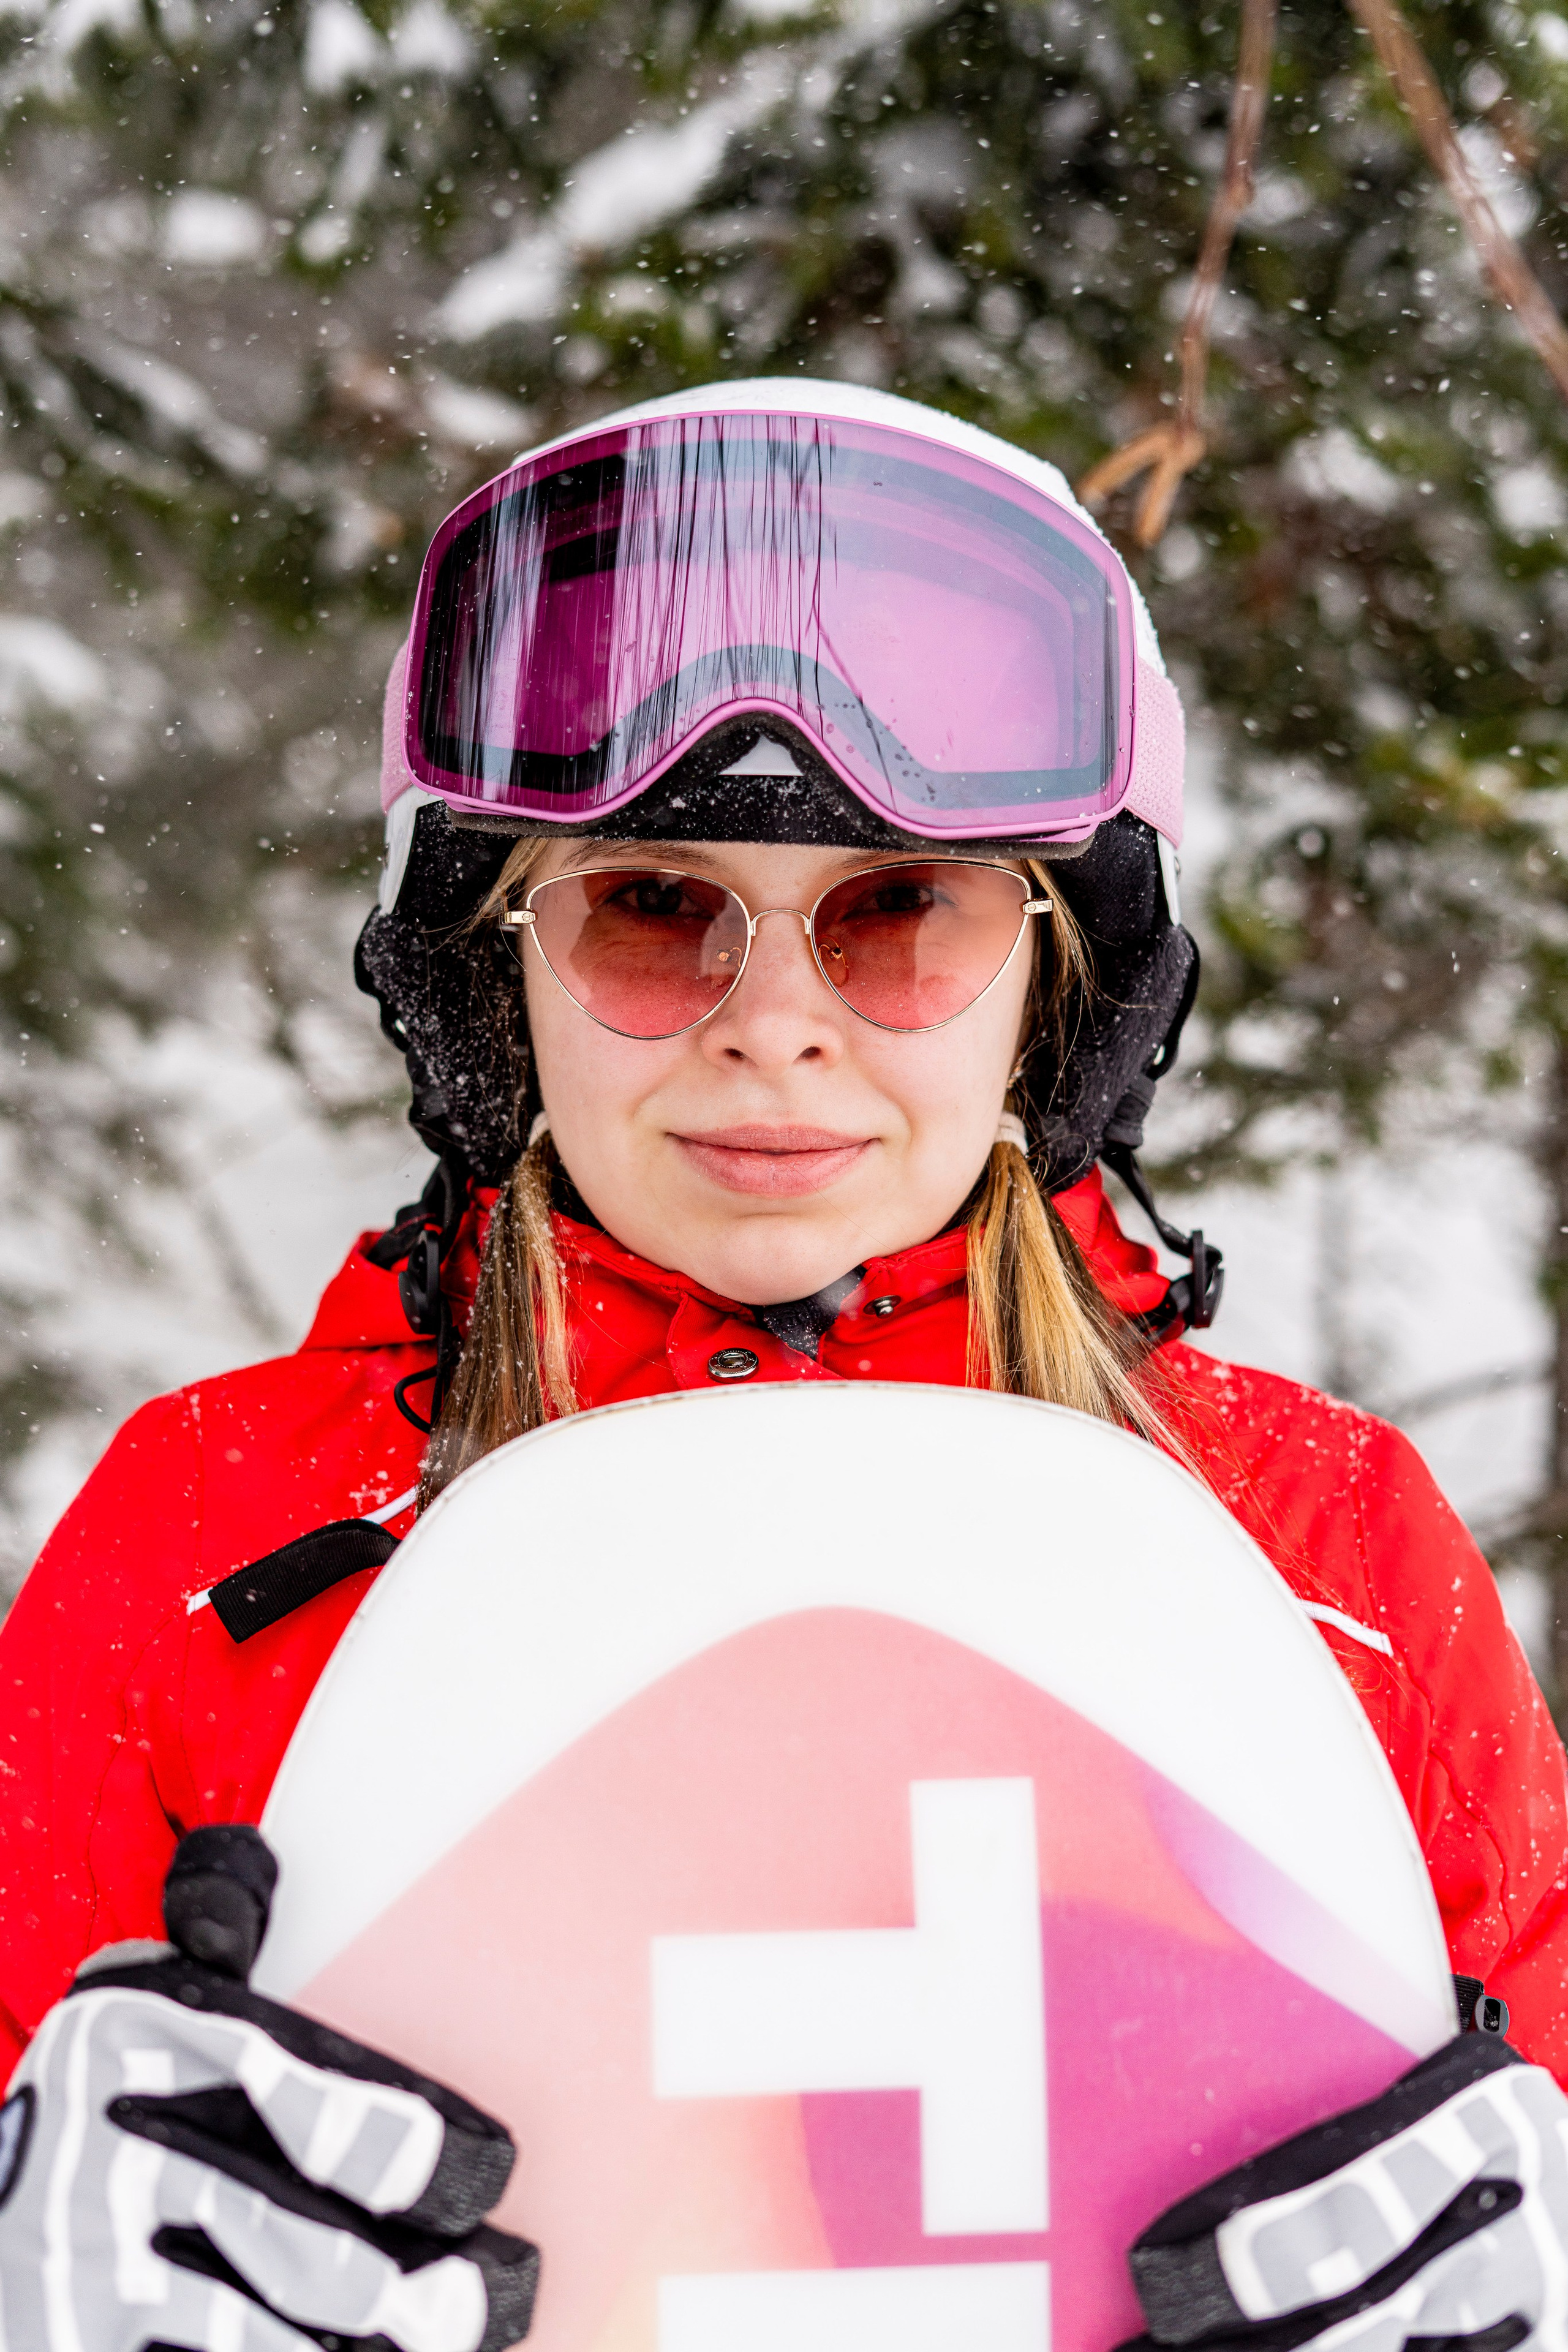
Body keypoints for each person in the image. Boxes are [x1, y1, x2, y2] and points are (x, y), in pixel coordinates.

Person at [0, 377, 1566, 2351]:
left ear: (1053, 978)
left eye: (897, 915)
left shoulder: (1323, 1550)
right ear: (499, 967)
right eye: (657, 914)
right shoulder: (211, 1535)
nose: (777, 1029)